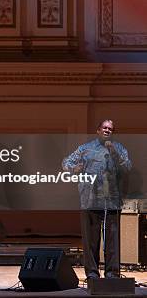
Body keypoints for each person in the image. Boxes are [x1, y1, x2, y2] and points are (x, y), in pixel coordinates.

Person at [63, 120, 131, 280]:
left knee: (112, 242)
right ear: (98, 130)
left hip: (112, 201)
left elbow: (127, 167)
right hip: (90, 200)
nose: (108, 131)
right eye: (105, 128)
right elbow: (66, 163)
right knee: (91, 241)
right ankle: (92, 274)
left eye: (111, 129)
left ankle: (112, 274)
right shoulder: (85, 148)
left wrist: (114, 152)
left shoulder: (119, 148)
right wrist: (74, 169)